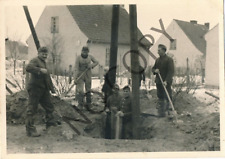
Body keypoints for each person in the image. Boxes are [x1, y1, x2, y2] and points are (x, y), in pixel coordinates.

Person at [25, 46, 57, 137]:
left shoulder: (44, 63)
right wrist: (39, 70)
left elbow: (47, 77)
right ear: (38, 53)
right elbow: (28, 67)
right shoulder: (35, 60)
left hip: (43, 89)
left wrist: (52, 89)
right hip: (35, 89)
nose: (44, 55)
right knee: (32, 109)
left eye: (46, 54)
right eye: (43, 53)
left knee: (49, 106)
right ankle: (30, 130)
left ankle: (50, 124)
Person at [152, 44, 174, 117]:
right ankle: (161, 111)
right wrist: (155, 70)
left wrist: (166, 81)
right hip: (158, 81)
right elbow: (153, 69)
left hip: (165, 82)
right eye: (157, 50)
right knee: (160, 96)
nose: (157, 52)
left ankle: (169, 111)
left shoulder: (169, 60)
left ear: (164, 50)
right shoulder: (157, 60)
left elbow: (170, 71)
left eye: (159, 50)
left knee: (167, 95)